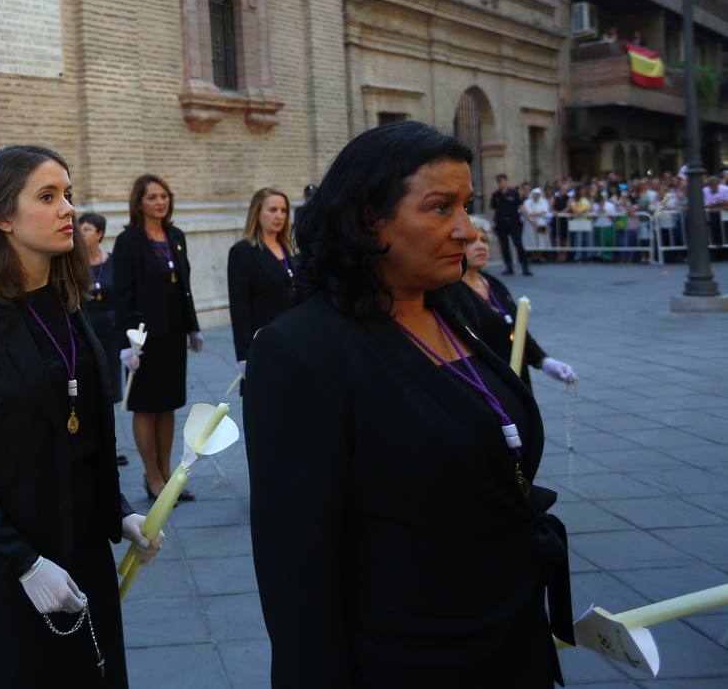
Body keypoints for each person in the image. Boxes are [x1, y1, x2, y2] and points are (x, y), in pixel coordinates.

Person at [245, 121, 572, 687]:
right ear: (369, 217)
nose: (467, 231)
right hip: (411, 655)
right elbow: (296, 560)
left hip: (509, 633)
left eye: (467, 206)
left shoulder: (457, 311)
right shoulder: (303, 350)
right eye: (440, 208)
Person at [0, 145, 161, 688]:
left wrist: (119, 512)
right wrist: (25, 563)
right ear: (3, 216)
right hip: (11, 562)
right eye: (48, 196)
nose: (68, 210)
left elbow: (85, 435)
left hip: (83, 548)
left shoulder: (72, 305)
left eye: (69, 195)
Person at [112, 174, 203, 501]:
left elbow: (185, 288)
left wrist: (193, 327)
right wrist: (127, 344)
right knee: (145, 407)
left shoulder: (175, 235)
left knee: (168, 406)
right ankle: (152, 477)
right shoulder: (128, 242)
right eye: (152, 197)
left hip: (173, 335)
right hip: (142, 339)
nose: (160, 202)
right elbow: (121, 295)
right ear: (139, 203)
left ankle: (166, 473)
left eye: (164, 196)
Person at [447, 218, 577, 391]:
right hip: (487, 386)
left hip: (517, 381)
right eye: (471, 242)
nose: (481, 246)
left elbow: (518, 330)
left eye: (484, 240)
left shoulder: (492, 282)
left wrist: (544, 361)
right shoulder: (451, 292)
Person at [226, 188, 298, 388]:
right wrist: (244, 354)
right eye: (273, 210)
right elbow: (239, 307)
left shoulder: (289, 250)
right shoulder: (243, 252)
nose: (279, 215)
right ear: (257, 213)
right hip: (264, 344)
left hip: (294, 342)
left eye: (283, 210)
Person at [77, 212, 122, 408]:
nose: (81, 233)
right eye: (79, 229)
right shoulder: (75, 264)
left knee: (110, 379)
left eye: (86, 229)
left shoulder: (113, 261)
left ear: (100, 233)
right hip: (86, 327)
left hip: (110, 330)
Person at [489, 173, 531, 275]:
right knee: (504, 246)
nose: (500, 183)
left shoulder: (514, 193)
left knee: (518, 244)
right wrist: (492, 223)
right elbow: (492, 210)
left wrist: (530, 219)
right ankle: (509, 268)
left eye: (501, 181)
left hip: (513, 223)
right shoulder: (495, 195)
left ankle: (525, 268)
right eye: (498, 181)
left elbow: (521, 207)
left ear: (506, 181)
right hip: (500, 223)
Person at [521, 187, 550, 264]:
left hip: (541, 223)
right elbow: (527, 212)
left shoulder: (544, 201)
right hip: (530, 224)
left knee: (541, 239)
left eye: (538, 195)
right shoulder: (527, 202)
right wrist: (536, 215)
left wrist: (535, 214)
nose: (536, 196)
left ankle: (540, 256)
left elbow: (544, 212)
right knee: (531, 239)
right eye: (535, 194)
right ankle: (533, 256)